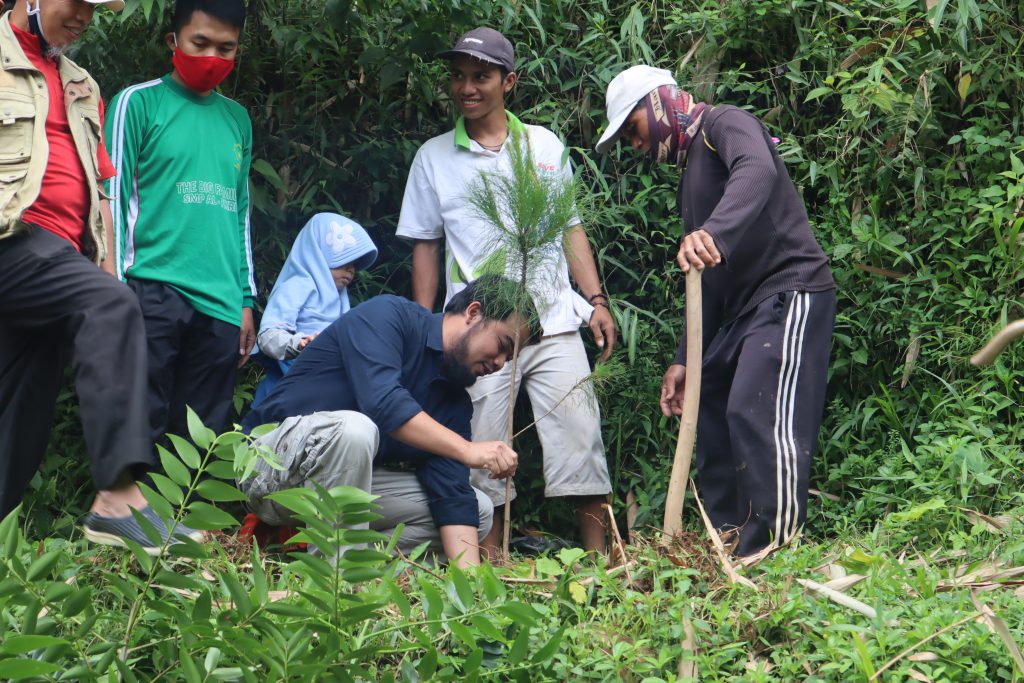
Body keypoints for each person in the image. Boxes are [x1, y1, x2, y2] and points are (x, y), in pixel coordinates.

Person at [596, 65, 837, 556]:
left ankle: (776, 548)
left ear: (657, 104)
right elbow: (706, 280)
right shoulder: (690, 180)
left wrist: (713, 232)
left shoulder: (722, 123)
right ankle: (729, 544)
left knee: (756, 408)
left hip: (789, 289)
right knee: (711, 411)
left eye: (632, 130)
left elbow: (758, 169)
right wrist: (687, 358)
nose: (635, 146)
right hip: (746, 310)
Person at [396, 27, 616, 557]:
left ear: (508, 81)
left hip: (556, 322)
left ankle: (602, 560)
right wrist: (425, 328)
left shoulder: (542, 143)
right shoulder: (433, 157)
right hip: (483, 334)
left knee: (581, 438)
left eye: (481, 76)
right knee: (481, 450)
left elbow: (570, 227)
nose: (467, 87)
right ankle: (491, 561)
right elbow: (425, 246)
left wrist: (596, 301)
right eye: (458, 76)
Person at [0, 0, 202, 551]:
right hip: (13, 242)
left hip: (61, 264)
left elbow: (100, 185)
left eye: (96, 8)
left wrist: (107, 266)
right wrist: (107, 293)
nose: (86, 16)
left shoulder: (82, 84)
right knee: (112, 306)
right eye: (78, 3)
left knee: (18, 421)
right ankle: (117, 495)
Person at [239, 277, 540, 567]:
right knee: (355, 430)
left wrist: (472, 588)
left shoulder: (453, 401)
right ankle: (339, 585)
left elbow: (451, 494)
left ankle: (342, 562)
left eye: (509, 359)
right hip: (271, 467)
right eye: (503, 344)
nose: (501, 363)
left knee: (479, 510)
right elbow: (383, 402)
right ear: (473, 313)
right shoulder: (388, 315)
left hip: (332, 488)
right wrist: (466, 449)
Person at [104, 0, 255, 451]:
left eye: (226, 49)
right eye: (200, 43)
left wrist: (246, 298)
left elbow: (241, 212)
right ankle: (126, 520)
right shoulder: (138, 102)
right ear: (173, 41)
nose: (213, 58)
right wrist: (113, 291)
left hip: (222, 303)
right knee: (137, 425)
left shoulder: (238, 120)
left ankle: (183, 524)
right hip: (149, 289)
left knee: (198, 440)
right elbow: (109, 200)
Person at [253, 212, 378, 405]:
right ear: (318, 253)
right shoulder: (297, 285)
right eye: (344, 261)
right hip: (288, 388)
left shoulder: (341, 300)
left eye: (354, 265)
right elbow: (268, 335)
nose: (351, 270)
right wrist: (300, 343)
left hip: (324, 389)